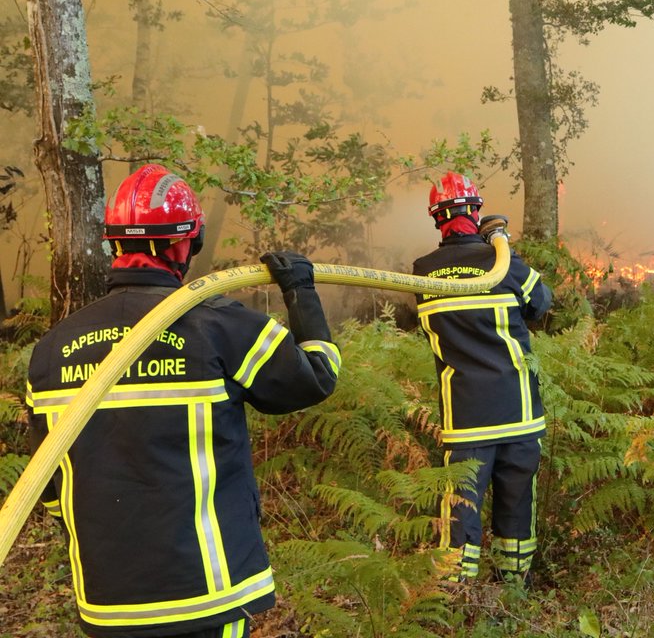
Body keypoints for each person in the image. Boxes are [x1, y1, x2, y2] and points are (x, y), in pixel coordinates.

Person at [25, 163, 342, 638]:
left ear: (114, 242)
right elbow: (316, 377)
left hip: (109, 600)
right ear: (183, 244)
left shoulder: (51, 349)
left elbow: (46, 485)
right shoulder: (220, 327)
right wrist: (301, 291)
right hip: (207, 593)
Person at [412, 172, 552, 584]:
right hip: (519, 409)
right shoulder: (502, 263)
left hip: (466, 415)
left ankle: (456, 597)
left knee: (461, 506)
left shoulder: (421, 273)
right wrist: (501, 244)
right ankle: (514, 586)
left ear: (437, 218)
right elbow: (541, 303)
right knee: (516, 501)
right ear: (476, 211)